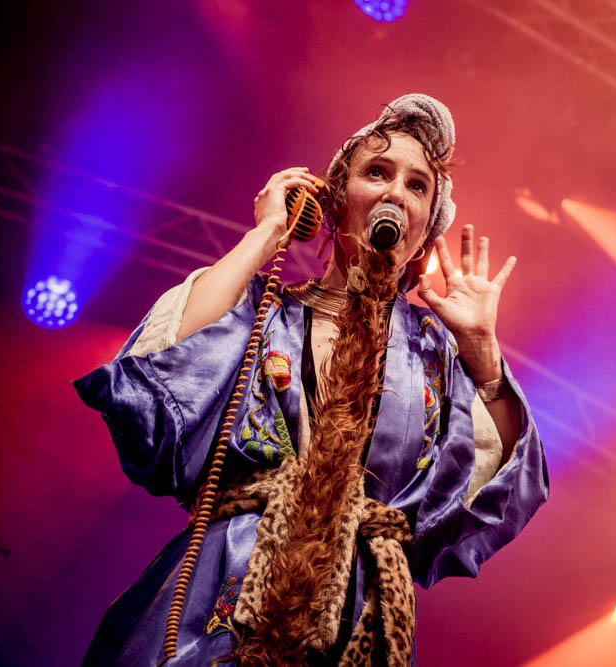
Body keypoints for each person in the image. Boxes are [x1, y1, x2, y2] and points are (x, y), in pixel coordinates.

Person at [74, 94, 549, 666]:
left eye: (417, 185)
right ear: (334, 199)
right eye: (378, 172)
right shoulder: (265, 314)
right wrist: (268, 234)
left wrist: (481, 352)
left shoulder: (434, 355)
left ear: (425, 229)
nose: (396, 192)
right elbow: (162, 375)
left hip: (357, 612)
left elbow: (497, 492)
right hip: (226, 585)